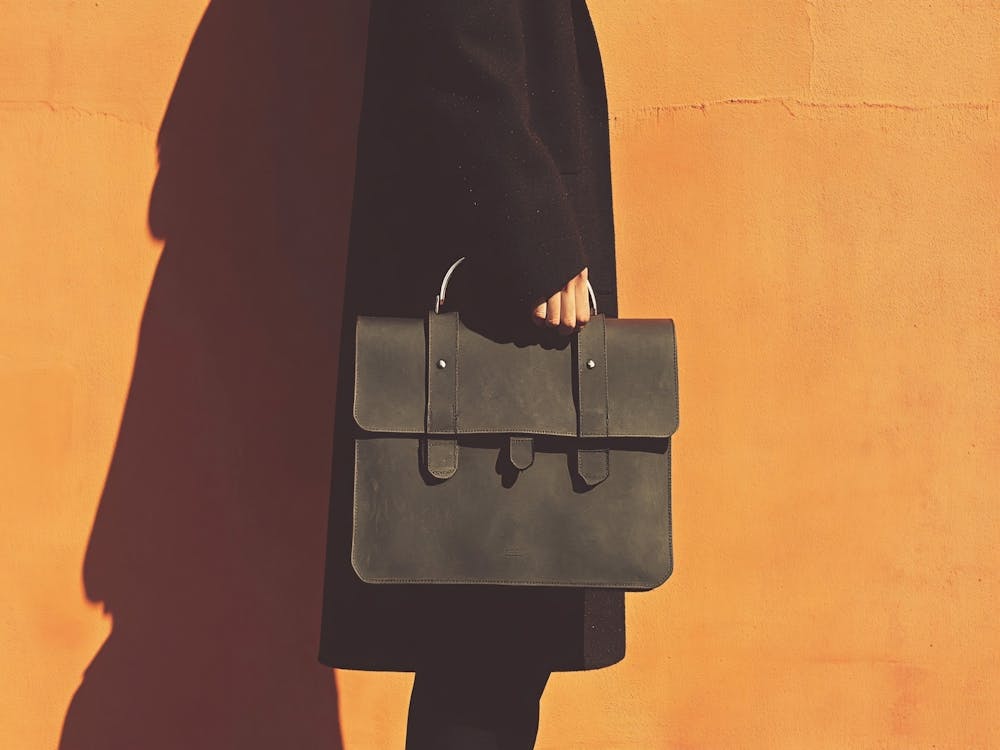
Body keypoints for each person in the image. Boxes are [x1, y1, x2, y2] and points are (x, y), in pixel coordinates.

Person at [317, 2, 623, 747]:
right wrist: (539, 238)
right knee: (488, 641)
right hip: (497, 297)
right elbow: (460, 54)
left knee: (494, 649)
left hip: (494, 288)